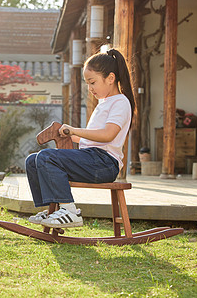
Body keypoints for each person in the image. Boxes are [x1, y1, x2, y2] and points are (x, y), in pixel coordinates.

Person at [25, 48, 135, 229]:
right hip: (92, 158)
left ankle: (69, 211)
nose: (90, 88)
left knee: (47, 157)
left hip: (105, 164)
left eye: (92, 82)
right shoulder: (104, 103)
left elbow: (108, 135)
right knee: (33, 160)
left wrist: (74, 129)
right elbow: (91, 139)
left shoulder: (120, 103)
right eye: (87, 84)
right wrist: (69, 134)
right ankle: (53, 209)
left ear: (110, 78)